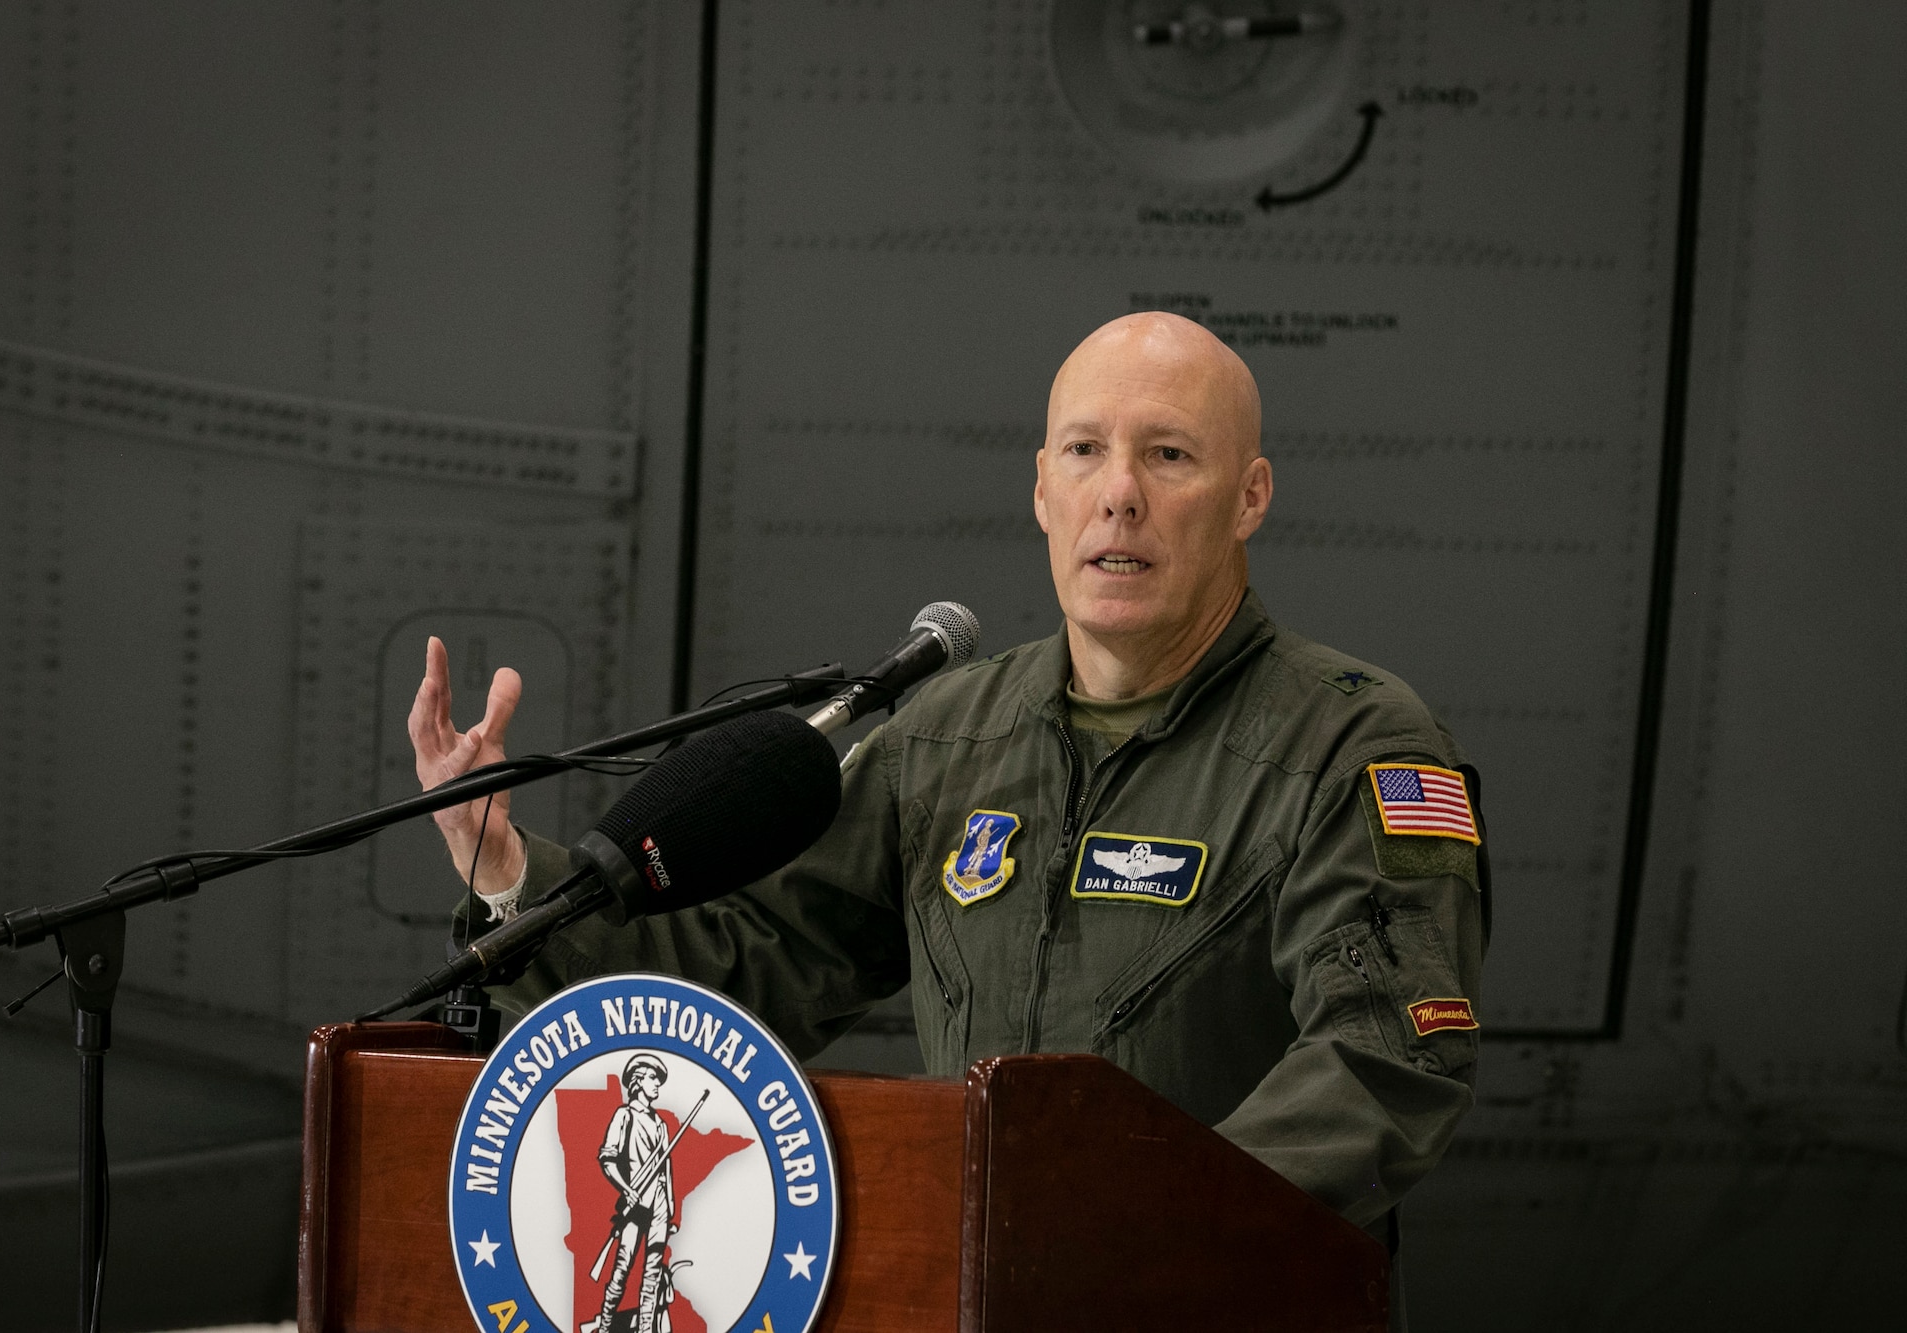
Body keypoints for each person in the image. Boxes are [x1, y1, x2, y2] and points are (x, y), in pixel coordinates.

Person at [410, 312, 1487, 1320]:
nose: (1118, 495)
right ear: (1039, 490)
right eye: (1082, 451)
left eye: (1168, 455)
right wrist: (509, 873)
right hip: (969, 1299)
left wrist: (1146, 1239)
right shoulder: (947, 738)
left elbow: (1379, 1053)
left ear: (1247, 496)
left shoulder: (1350, 742)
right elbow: (751, 969)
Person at [595, 1053, 676, 1333]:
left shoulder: (662, 1125)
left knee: (653, 1271)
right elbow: (607, 1159)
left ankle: (644, 1329)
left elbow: (666, 1169)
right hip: (635, 1202)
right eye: (653, 1078)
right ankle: (605, 1326)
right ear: (638, 1081)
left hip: (660, 1205)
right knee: (623, 1267)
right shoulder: (624, 1115)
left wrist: (671, 1207)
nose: (657, 1085)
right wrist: (626, 1190)